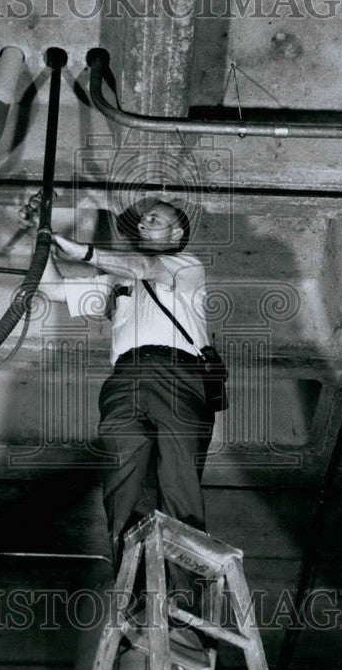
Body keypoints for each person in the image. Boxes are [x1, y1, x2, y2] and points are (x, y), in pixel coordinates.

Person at [37, 200, 215, 617]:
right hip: (125, 378)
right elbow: (52, 289)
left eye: (156, 218)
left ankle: (182, 605)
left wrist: (83, 251)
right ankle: (133, 597)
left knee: (178, 480)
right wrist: (40, 241)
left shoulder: (186, 266)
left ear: (175, 235)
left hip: (178, 374)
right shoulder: (116, 280)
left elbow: (146, 268)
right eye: (144, 217)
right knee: (122, 481)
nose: (144, 221)